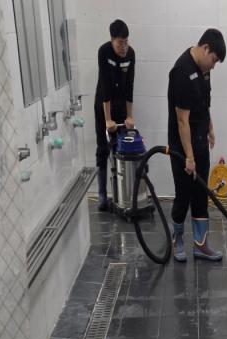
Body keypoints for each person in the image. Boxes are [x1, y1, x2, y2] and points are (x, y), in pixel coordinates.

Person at [167, 29, 226, 262]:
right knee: (184, 194)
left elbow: (204, 103)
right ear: (205, 48)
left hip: (200, 141)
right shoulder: (182, 71)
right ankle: (177, 240)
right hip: (182, 146)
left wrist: (210, 128)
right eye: (214, 60)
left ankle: (201, 245)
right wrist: (189, 157)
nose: (214, 66)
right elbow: (182, 120)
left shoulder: (204, 70)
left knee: (201, 194)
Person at [94, 19, 136, 211]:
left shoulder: (131, 54)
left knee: (123, 148)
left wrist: (130, 116)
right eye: (120, 43)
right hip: (103, 106)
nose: (124, 47)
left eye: (126, 42)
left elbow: (130, 87)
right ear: (112, 40)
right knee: (103, 149)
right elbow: (105, 86)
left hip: (120, 107)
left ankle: (122, 194)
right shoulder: (104, 52)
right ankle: (102, 195)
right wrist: (108, 120)